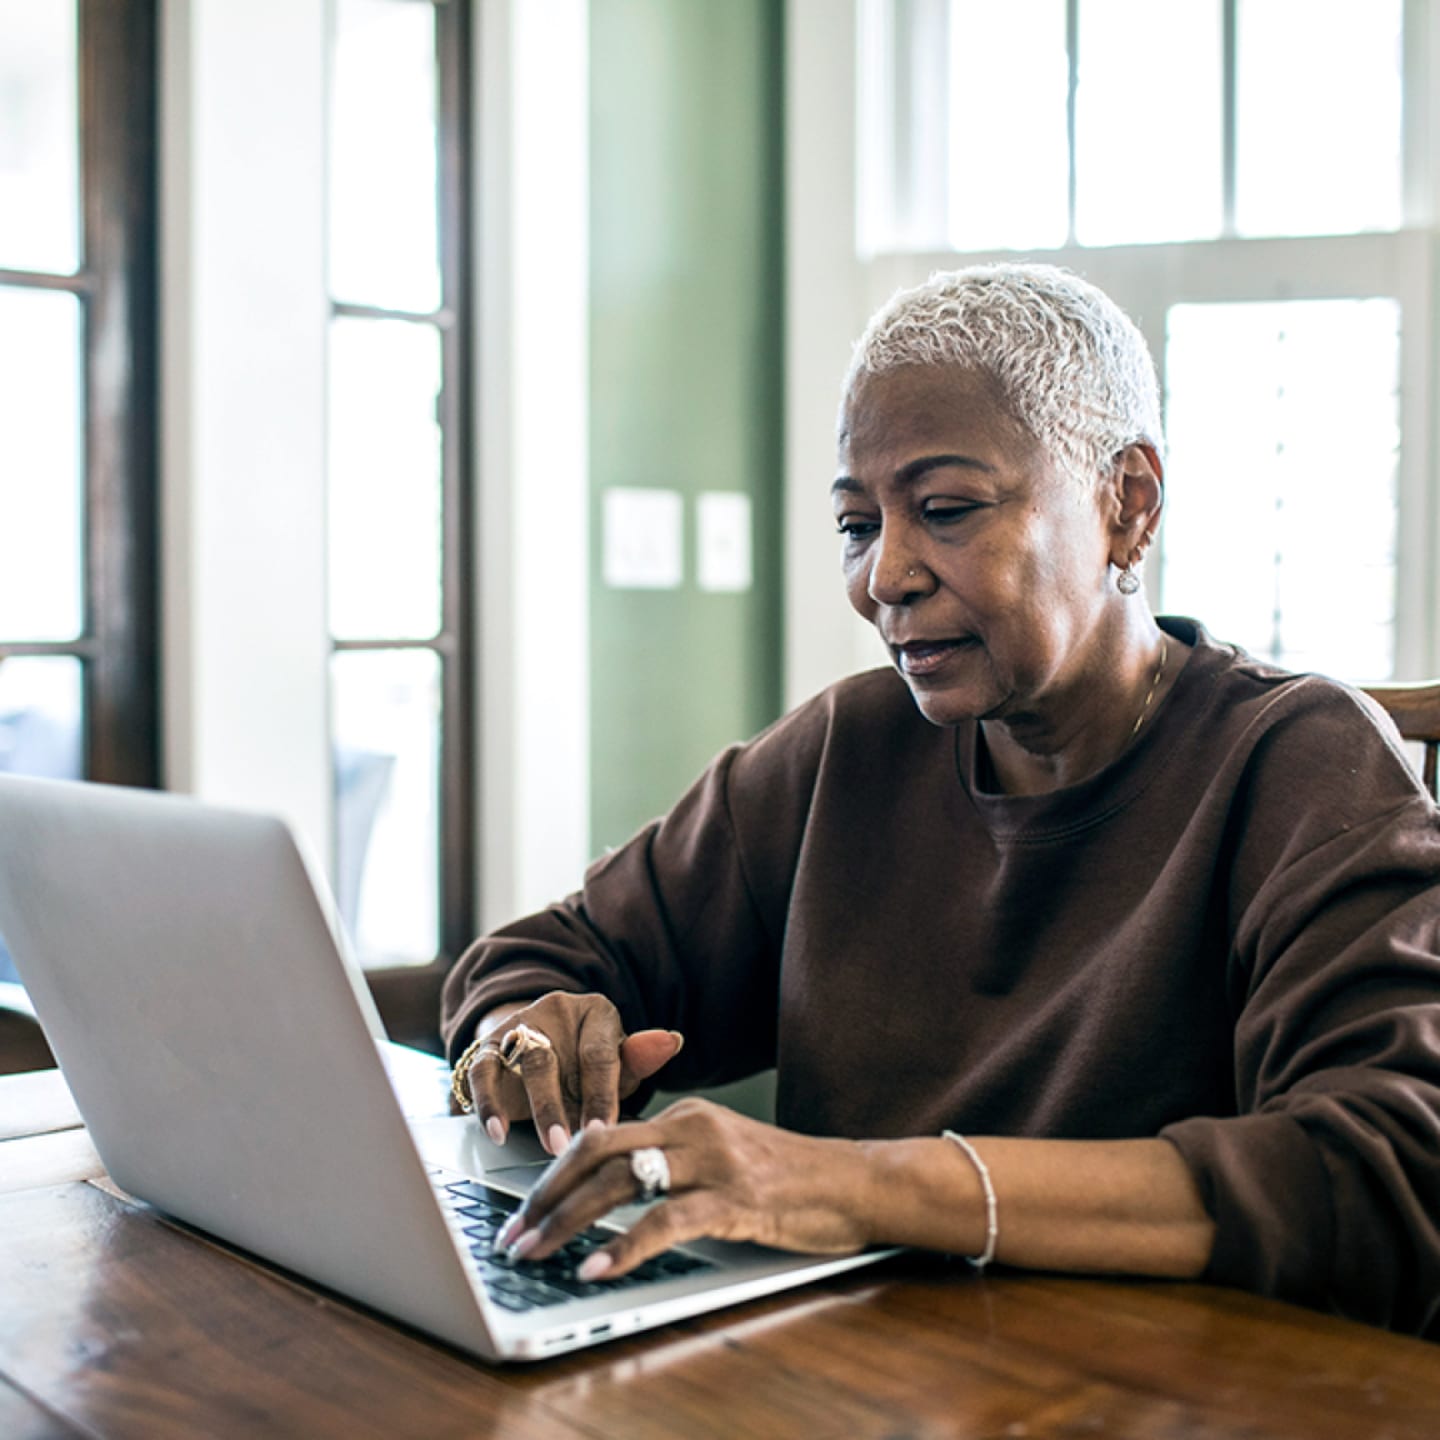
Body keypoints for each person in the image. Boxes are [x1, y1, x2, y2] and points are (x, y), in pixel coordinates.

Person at [440, 263, 1440, 1337]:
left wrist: (856, 1186)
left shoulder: (1297, 763)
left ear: (1127, 504)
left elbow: (1388, 1172)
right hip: (868, 1375)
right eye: (857, 524)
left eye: (947, 510)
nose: (886, 576)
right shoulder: (849, 751)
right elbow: (547, 958)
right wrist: (528, 1033)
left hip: (1148, 1392)